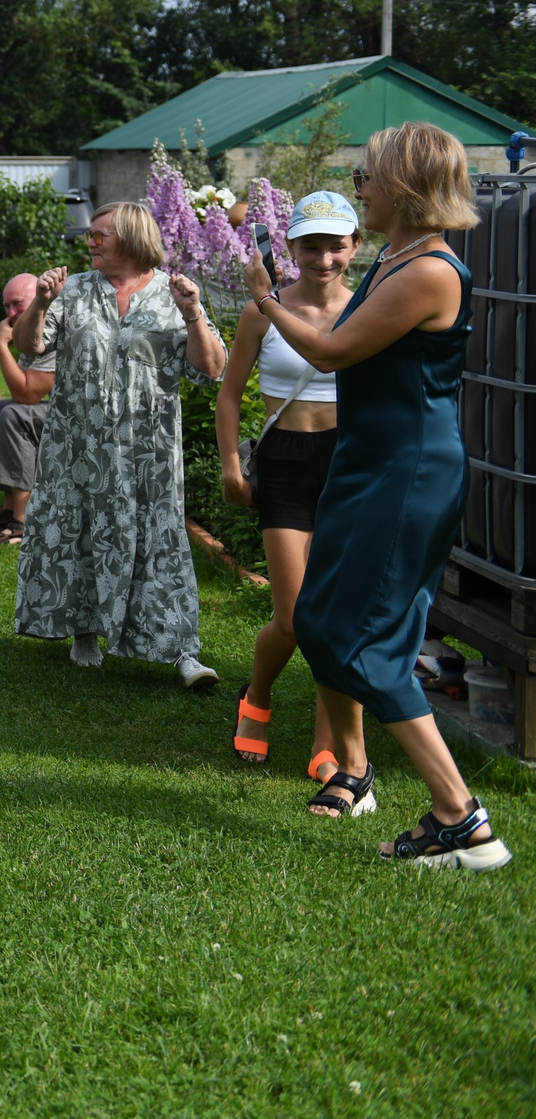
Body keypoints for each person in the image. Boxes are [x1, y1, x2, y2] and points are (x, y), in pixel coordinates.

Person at [249, 124, 509, 869]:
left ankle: (461, 818)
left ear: (406, 183)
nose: (359, 183)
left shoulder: (432, 271)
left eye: (370, 173)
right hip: (369, 465)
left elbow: (332, 350)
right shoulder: (396, 253)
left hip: (407, 472)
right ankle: (358, 774)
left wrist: (267, 302)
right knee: (322, 623)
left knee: (366, 639)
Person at [12, 202, 229, 688]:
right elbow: (30, 346)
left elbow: (211, 369)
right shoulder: (75, 290)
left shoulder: (174, 293)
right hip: (78, 446)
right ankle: (83, 630)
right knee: (82, 532)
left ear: (131, 238)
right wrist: (42, 303)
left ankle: (181, 649)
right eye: (90, 235)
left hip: (147, 452)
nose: (89, 241)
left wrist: (193, 314)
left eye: (99, 235)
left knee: (160, 540)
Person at [216, 192, 359, 782]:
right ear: (292, 247)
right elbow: (228, 392)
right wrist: (230, 463)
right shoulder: (261, 310)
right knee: (295, 617)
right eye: (311, 246)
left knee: (338, 618)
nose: (323, 258)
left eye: (335, 245)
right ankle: (258, 695)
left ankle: (328, 744)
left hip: (349, 462)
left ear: (354, 246)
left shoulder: (367, 309)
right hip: (285, 461)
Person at [0, 273, 56, 546]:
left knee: (14, 415)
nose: (11, 312)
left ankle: (23, 520)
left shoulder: (49, 325)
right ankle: (9, 508)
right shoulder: (29, 325)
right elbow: (19, 388)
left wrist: (0, 346)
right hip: (58, 408)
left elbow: (27, 394)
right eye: (7, 306)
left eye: (17, 304)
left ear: (38, 297)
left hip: (84, 414)